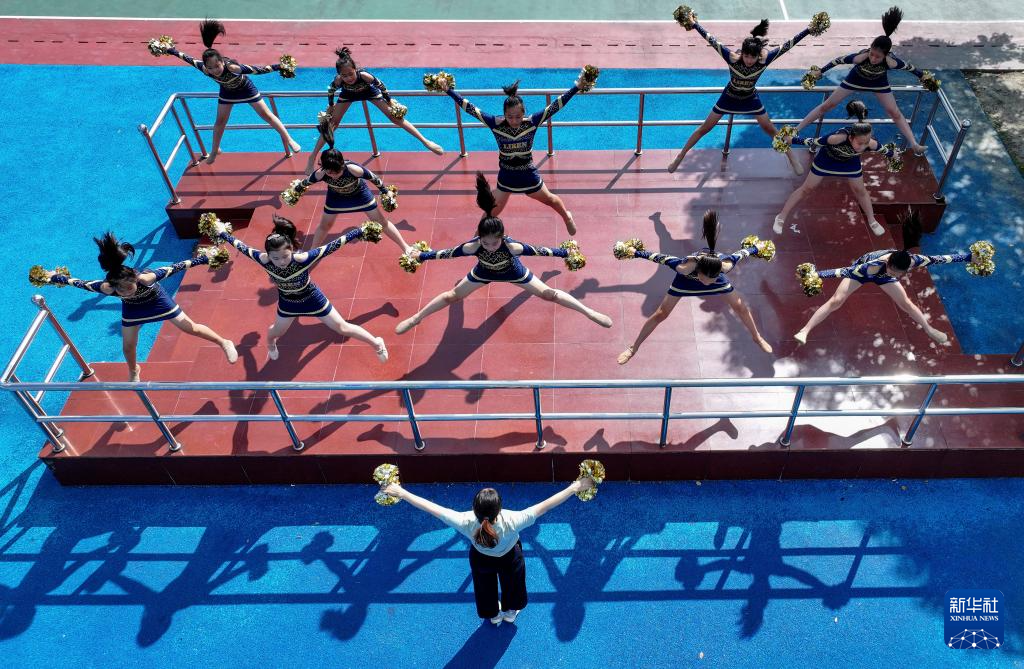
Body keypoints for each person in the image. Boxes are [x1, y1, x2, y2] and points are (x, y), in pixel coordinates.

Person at [395, 173, 613, 335]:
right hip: (483, 273)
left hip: (514, 273)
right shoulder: (472, 246)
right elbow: (446, 254)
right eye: (485, 243)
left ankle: (589, 312)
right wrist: (421, 256)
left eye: (495, 242)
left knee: (549, 295)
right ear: (479, 238)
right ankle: (416, 318)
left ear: (503, 237)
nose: (490, 246)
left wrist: (565, 252)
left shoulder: (512, 247)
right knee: (452, 296)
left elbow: (541, 251)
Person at [382, 479, 595, 625]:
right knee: (514, 584)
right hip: (510, 558)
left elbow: (432, 508)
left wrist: (401, 492)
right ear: (499, 509)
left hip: (481, 560)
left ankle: (493, 615)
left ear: (474, 509)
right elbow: (547, 505)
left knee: (483, 587)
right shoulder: (513, 519)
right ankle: (511, 612)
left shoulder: (464, 521)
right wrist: (575, 486)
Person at [38, 232, 237, 381]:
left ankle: (224, 342)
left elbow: (177, 266)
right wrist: (54, 277)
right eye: (121, 290)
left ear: (135, 278)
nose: (126, 292)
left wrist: (204, 258)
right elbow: (80, 283)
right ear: (114, 287)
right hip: (133, 310)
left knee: (189, 327)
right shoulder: (107, 288)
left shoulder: (147, 278)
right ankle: (134, 370)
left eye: (129, 287)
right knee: (128, 346)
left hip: (158, 301)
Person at [216, 214, 389, 362]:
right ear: (268, 255)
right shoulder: (263, 260)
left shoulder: (303, 259)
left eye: (285, 256)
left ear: (291, 249)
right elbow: (241, 246)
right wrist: (223, 232)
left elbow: (331, 246)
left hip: (312, 298)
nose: (281, 262)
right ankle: (270, 344)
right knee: (275, 332)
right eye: (276, 258)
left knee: (341, 327)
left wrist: (359, 231)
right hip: (288, 304)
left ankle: (377, 343)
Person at [794, 209, 974, 344]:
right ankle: (805, 330)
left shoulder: (915, 261)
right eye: (892, 271)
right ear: (888, 263)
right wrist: (816, 275)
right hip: (862, 273)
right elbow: (842, 271)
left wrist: (969, 257)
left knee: (906, 304)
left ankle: (929, 329)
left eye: (898, 274)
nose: (894, 275)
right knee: (836, 300)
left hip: (882, 277)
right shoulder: (870, 267)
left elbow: (942, 258)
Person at [668, 17, 822, 175]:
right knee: (705, 128)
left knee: (769, 128)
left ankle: (792, 158)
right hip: (729, 97)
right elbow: (711, 39)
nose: (749, 60)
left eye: (752, 57)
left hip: (750, 98)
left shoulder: (764, 61)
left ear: (758, 56)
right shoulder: (731, 58)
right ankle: (680, 156)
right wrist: (694, 24)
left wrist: (808, 30)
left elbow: (788, 45)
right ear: (742, 53)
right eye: (746, 56)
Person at [617, 210, 774, 364]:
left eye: (712, 279)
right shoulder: (683, 267)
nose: (708, 283)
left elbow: (742, 253)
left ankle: (757, 338)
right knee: (661, 314)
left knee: (741, 307)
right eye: (706, 279)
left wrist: (756, 248)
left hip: (716, 281)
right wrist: (636, 252)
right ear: (698, 271)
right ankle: (633, 348)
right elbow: (658, 257)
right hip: (685, 282)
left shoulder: (724, 266)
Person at [438, 74, 584, 235]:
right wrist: (448, 90)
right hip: (506, 177)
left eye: (518, 117)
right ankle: (476, 238)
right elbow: (470, 108)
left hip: (528, 175)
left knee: (550, 199)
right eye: (510, 117)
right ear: (504, 114)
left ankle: (567, 217)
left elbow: (556, 106)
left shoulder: (532, 122)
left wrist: (577, 87)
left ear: (524, 113)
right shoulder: (495, 124)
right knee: (491, 211)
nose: (514, 121)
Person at [791, 6, 934, 156]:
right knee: (827, 105)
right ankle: (795, 130)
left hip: (878, 84)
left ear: (886, 55)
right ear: (869, 49)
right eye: (872, 54)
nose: (873, 58)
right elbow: (837, 60)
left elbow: (911, 68)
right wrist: (821, 71)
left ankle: (914, 144)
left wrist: (924, 77)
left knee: (895, 113)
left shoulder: (892, 62)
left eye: (878, 57)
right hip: (855, 80)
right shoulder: (860, 57)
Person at [160, 19, 301, 165]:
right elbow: (186, 58)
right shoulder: (204, 69)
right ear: (206, 67)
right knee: (220, 121)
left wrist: (279, 66)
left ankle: (289, 139)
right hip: (227, 92)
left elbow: (258, 70)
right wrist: (170, 50)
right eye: (211, 68)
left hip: (246, 89)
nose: (215, 70)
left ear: (222, 61)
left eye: (217, 66)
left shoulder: (232, 68)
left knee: (266, 115)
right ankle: (214, 150)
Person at [304, 47, 443, 173]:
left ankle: (425, 141)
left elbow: (382, 86)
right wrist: (331, 106)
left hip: (369, 92)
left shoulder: (364, 75)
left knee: (395, 118)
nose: (348, 78)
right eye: (344, 76)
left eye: (351, 74)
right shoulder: (338, 80)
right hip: (348, 95)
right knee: (331, 125)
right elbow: (331, 90)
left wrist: (389, 101)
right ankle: (312, 157)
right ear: (340, 74)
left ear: (355, 69)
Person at [773, 100, 899, 236]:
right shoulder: (837, 138)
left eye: (866, 143)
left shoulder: (871, 143)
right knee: (807, 188)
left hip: (849, 162)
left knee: (860, 190)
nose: (863, 147)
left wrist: (893, 155)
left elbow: (884, 150)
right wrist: (791, 140)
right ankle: (781, 217)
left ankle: (872, 220)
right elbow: (814, 142)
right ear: (850, 138)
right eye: (860, 143)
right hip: (826, 160)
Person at [291, 122, 412, 254]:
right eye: (329, 173)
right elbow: (305, 183)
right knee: (325, 225)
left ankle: (406, 247)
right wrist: (295, 191)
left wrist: (386, 192)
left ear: (342, 165)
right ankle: (312, 253)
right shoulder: (320, 173)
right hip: (336, 198)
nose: (333, 175)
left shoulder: (353, 169)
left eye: (336, 172)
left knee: (381, 222)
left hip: (360, 195)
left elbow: (374, 178)